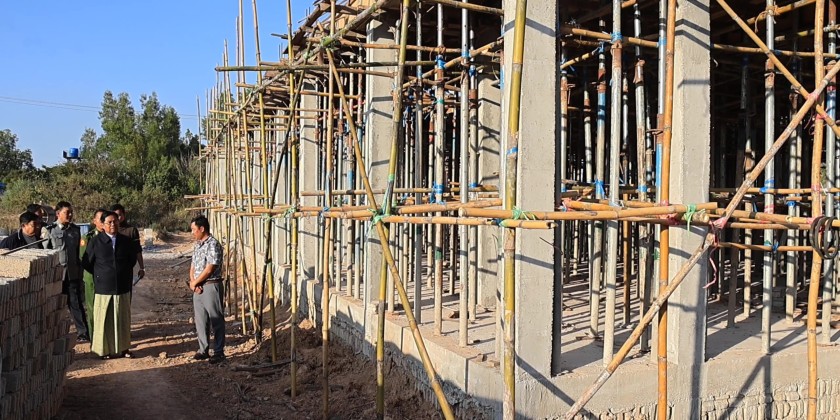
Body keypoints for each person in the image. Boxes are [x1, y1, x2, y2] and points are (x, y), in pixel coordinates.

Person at [82, 211, 141, 359]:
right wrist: (101, 274)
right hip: (103, 288)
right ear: (102, 225)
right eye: (109, 222)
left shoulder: (126, 241)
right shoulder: (95, 242)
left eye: (115, 221)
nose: (113, 224)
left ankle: (124, 349)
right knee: (104, 321)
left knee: (122, 319)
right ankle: (104, 351)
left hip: (122, 287)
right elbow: (87, 263)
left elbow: (132, 260)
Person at [42, 201, 89, 342]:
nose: (69, 215)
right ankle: (52, 334)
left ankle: (83, 333)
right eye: (66, 212)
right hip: (56, 275)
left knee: (76, 304)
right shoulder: (49, 230)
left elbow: (79, 252)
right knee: (54, 306)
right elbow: (44, 253)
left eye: (71, 212)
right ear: (58, 214)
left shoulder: (75, 230)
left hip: (72, 274)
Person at [189, 215, 226, 364]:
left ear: (202, 228)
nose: (192, 232)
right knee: (200, 320)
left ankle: (219, 352)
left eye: (194, 229)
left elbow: (210, 268)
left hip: (211, 285)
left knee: (216, 319)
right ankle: (203, 350)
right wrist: (193, 283)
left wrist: (196, 282)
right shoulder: (197, 245)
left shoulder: (213, 245)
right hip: (198, 287)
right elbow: (193, 266)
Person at [80, 208, 106, 339]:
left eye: (104, 219)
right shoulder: (88, 237)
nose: (102, 222)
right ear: (94, 221)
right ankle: (94, 338)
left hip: (107, 279)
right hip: (92, 278)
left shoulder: (111, 237)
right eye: (100, 219)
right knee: (92, 308)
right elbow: (83, 259)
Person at [111, 204, 145, 281]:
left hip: (127, 269)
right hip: (111, 270)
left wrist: (142, 268)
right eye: (115, 215)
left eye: (119, 215)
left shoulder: (131, 230)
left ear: (124, 214)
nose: (117, 218)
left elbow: (137, 249)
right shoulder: (109, 230)